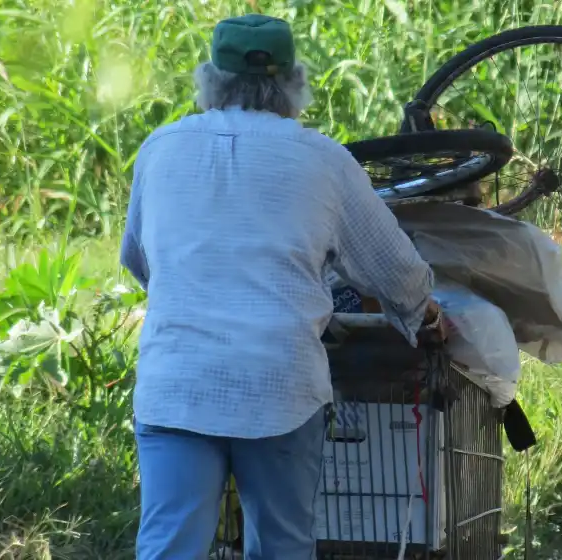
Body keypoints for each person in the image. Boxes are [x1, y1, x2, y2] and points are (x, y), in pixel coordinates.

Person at [119, 13, 443, 560]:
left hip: (178, 384)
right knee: (283, 546)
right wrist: (424, 314)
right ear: (294, 83)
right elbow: (396, 268)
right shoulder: (323, 159)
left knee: (169, 545)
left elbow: (140, 262)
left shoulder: (160, 149)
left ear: (209, 81)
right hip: (279, 388)